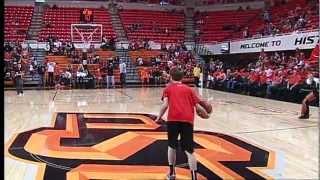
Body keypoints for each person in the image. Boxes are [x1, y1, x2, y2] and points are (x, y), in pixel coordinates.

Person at [155, 67, 204, 180]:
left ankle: (172, 174)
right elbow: (198, 107)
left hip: (173, 119)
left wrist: (158, 117)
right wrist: (206, 114)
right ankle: (194, 177)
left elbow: (165, 105)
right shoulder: (189, 89)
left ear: (171, 77)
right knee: (190, 151)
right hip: (187, 120)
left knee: (172, 146)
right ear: (182, 77)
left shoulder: (168, 88)